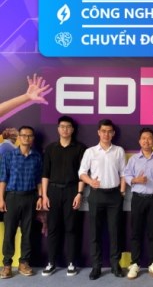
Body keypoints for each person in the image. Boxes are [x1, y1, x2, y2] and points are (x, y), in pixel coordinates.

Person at [77, 119, 125, 279]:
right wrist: (91, 182)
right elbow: (82, 173)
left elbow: (123, 173)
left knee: (115, 231)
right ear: (98, 132)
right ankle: (96, 266)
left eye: (109, 131)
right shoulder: (90, 152)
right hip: (96, 195)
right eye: (103, 131)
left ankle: (115, 265)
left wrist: (122, 191)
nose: (106, 134)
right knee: (95, 233)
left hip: (114, 195)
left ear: (113, 133)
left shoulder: (119, 151)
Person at [39, 116, 85, 276]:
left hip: (72, 190)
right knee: (53, 227)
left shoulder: (80, 149)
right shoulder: (50, 149)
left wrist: (79, 194)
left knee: (71, 227)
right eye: (62, 126)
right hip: (53, 191)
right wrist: (44, 195)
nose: (65, 129)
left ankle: (71, 263)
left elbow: (82, 174)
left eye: (68, 126)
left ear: (72, 129)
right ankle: (51, 262)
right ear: (58, 129)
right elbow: (45, 174)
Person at [122, 128, 153, 279]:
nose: (146, 141)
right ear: (139, 141)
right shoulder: (133, 159)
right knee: (136, 232)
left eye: (149, 138)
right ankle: (135, 263)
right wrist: (136, 180)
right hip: (138, 199)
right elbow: (127, 175)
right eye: (143, 138)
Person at [0, 126, 40, 278]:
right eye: (23, 135)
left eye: (29, 136)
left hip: (30, 197)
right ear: (18, 137)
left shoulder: (37, 156)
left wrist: (40, 197)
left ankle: (24, 262)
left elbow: (38, 180)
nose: (26, 138)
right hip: (12, 197)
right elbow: (3, 179)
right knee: (9, 232)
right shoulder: (9, 156)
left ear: (33, 138)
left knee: (27, 232)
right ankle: (7, 265)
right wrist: (1, 199)